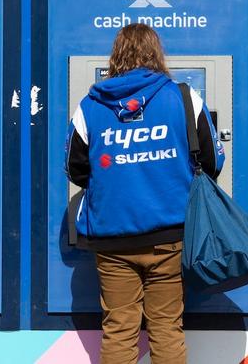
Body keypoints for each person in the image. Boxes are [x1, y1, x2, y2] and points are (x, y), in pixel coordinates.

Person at [65, 23, 224, 364]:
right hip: (170, 234)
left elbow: (75, 169)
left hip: (112, 237)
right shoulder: (183, 97)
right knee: (166, 327)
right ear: (157, 52)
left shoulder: (90, 106)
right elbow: (212, 161)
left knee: (119, 329)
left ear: (115, 56)